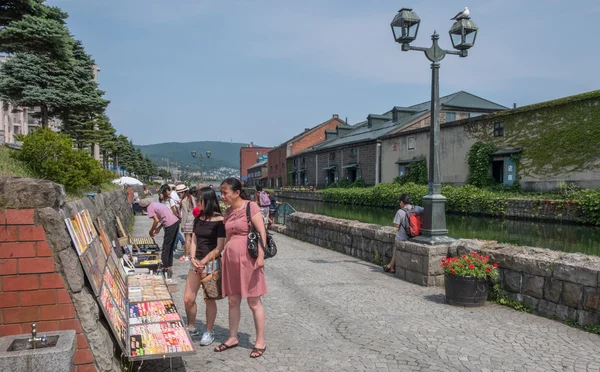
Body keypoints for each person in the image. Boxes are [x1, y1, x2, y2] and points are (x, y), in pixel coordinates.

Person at [211, 177, 267, 358]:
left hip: (249, 260)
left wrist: (260, 256)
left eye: (225, 192)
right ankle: (232, 337)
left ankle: (260, 341)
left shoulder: (251, 207)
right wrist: (220, 256)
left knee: (253, 302)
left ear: (236, 192)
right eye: (221, 192)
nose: (222, 196)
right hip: (231, 261)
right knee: (232, 301)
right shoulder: (228, 212)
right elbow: (227, 237)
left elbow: (261, 232)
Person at [183, 187, 225, 346]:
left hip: (211, 263)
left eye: (199, 199)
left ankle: (209, 331)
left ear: (207, 201)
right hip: (196, 262)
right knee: (188, 298)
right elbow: (194, 239)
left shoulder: (220, 221)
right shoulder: (198, 218)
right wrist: (192, 258)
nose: (196, 202)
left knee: (209, 299)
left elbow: (220, 246)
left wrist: (203, 261)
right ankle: (191, 326)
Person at [383, 193, 424, 273]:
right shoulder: (415, 208)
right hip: (413, 235)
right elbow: (426, 210)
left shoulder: (400, 211)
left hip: (402, 237)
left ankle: (391, 267)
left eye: (400, 202)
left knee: (396, 247)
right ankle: (390, 266)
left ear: (401, 202)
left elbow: (397, 225)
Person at [138, 199, 180, 277]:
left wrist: (151, 231)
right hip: (175, 222)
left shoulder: (149, 208)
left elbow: (156, 220)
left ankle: (164, 266)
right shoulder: (155, 204)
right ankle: (169, 266)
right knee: (170, 246)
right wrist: (159, 228)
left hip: (170, 225)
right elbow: (165, 216)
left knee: (166, 247)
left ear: (143, 207)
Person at [177, 184, 195, 262]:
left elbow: (184, 214)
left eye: (179, 193)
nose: (178, 195)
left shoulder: (184, 201)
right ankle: (193, 254)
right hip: (194, 219)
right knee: (193, 239)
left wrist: (182, 225)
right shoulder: (191, 197)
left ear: (183, 192)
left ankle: (187, 256)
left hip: (187, 221)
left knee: (187, 239)